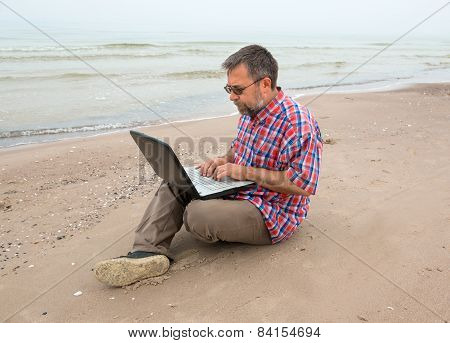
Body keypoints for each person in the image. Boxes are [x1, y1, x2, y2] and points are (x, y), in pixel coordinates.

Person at [94, 45, 323, 287]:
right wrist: (225, 160)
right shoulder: (250, 109)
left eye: (237, 89)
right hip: (241, 189)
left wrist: (243, 171)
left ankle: (199, 215)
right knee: (176, 179)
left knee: (196, 214)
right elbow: (240, 147)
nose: (231, 96)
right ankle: (146, 254)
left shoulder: (297, 123)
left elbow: (303, 184)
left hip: (273, 212)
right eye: (229, 88)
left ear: (265, 84)